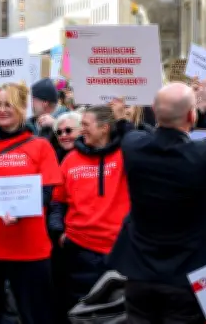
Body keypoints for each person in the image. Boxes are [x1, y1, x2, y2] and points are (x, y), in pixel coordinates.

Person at [108, 81, 206, 324]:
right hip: (187, 276)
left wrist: (121, 115)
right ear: (191, 115)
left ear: (153, 109)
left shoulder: (134, 147)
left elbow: (127, 128)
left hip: (140, 272)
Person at [0, 82, 63, 324]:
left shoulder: (41, 147)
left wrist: (17, 210)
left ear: (22, 108)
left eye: (9, 104)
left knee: (36, 316)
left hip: (30, 249)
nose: (2, 109)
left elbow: (47, 193)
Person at [48, 105, 129, 322]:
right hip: (79, 252)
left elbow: (145, 139)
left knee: (115, 315)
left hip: (117, 252)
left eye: (85, 125)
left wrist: (124, 119)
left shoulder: (126, 155)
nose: (80, 130)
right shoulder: (70, 159)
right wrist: (59, 233)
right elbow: (57, 202)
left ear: (104, 128)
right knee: (80, 312)